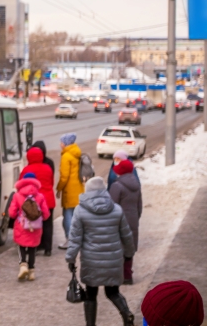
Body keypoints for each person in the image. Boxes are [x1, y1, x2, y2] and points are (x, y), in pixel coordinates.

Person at [66, 176, 136, 326]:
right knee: (113, 292)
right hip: (113, 260)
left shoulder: (80, 211)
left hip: (92, 262)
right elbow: (126, 235)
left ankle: (90, 325)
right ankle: (126, 314)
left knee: (91, 295)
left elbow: (75, 238)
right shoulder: (116, 209)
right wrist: (129, 254)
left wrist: (71, 258)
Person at [8, 172, 50, 280]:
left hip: (21, 225)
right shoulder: (40, 196)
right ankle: (31, 271)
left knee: (21, 245)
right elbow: (46, 214)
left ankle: (23, 265)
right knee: (32, 248)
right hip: (35, 227)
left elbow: (12, 213)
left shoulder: (17, 195)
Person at [109, 159, 142, 285]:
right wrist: (136, 218)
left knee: (117, 248)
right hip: (132, 219)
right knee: (129, 248)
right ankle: (127, 275)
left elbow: (111, 205)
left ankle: (118, 276)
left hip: (119, 220)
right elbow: (139, 205)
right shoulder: (136, 185)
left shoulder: (117, 186)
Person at [20, 146, 56, 256]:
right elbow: (51, 182)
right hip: (48, 200)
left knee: (34, 224)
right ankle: (48, 249)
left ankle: (35, 247)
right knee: (48, 224)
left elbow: (21, 185)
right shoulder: (47, 168)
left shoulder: (27, 169)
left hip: (34, 202)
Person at [57, 132, 84, 249]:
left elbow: (64, 176)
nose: (60, 144)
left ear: (66, 143)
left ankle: (70, 240)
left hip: (69, 191)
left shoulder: (66, 156)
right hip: (78, 190)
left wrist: (58, 189)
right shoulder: (76, 153)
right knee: (76, 218)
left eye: (61, 142)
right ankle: (77, 239)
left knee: (67, 217)